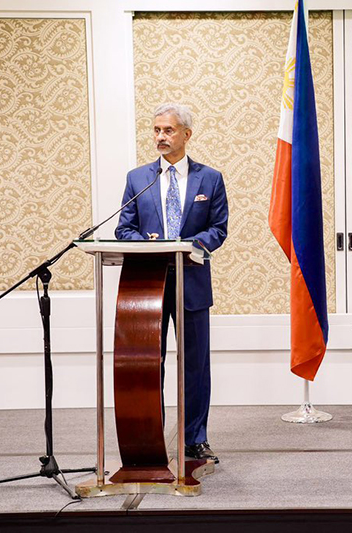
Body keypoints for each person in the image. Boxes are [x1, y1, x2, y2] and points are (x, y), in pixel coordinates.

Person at [116, 103, 228, 463]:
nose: (160, 137)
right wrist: (146, 245)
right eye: (156, 130)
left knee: (196, 366)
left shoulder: (209, 179)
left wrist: (188, 244)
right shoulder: (139, 179)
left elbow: (218, 229)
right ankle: (151, 438)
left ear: (186, 134)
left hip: (191, 282)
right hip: (146, 287)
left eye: (168, 130)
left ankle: (195, 438)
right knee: (149, 364)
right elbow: (124, 229)